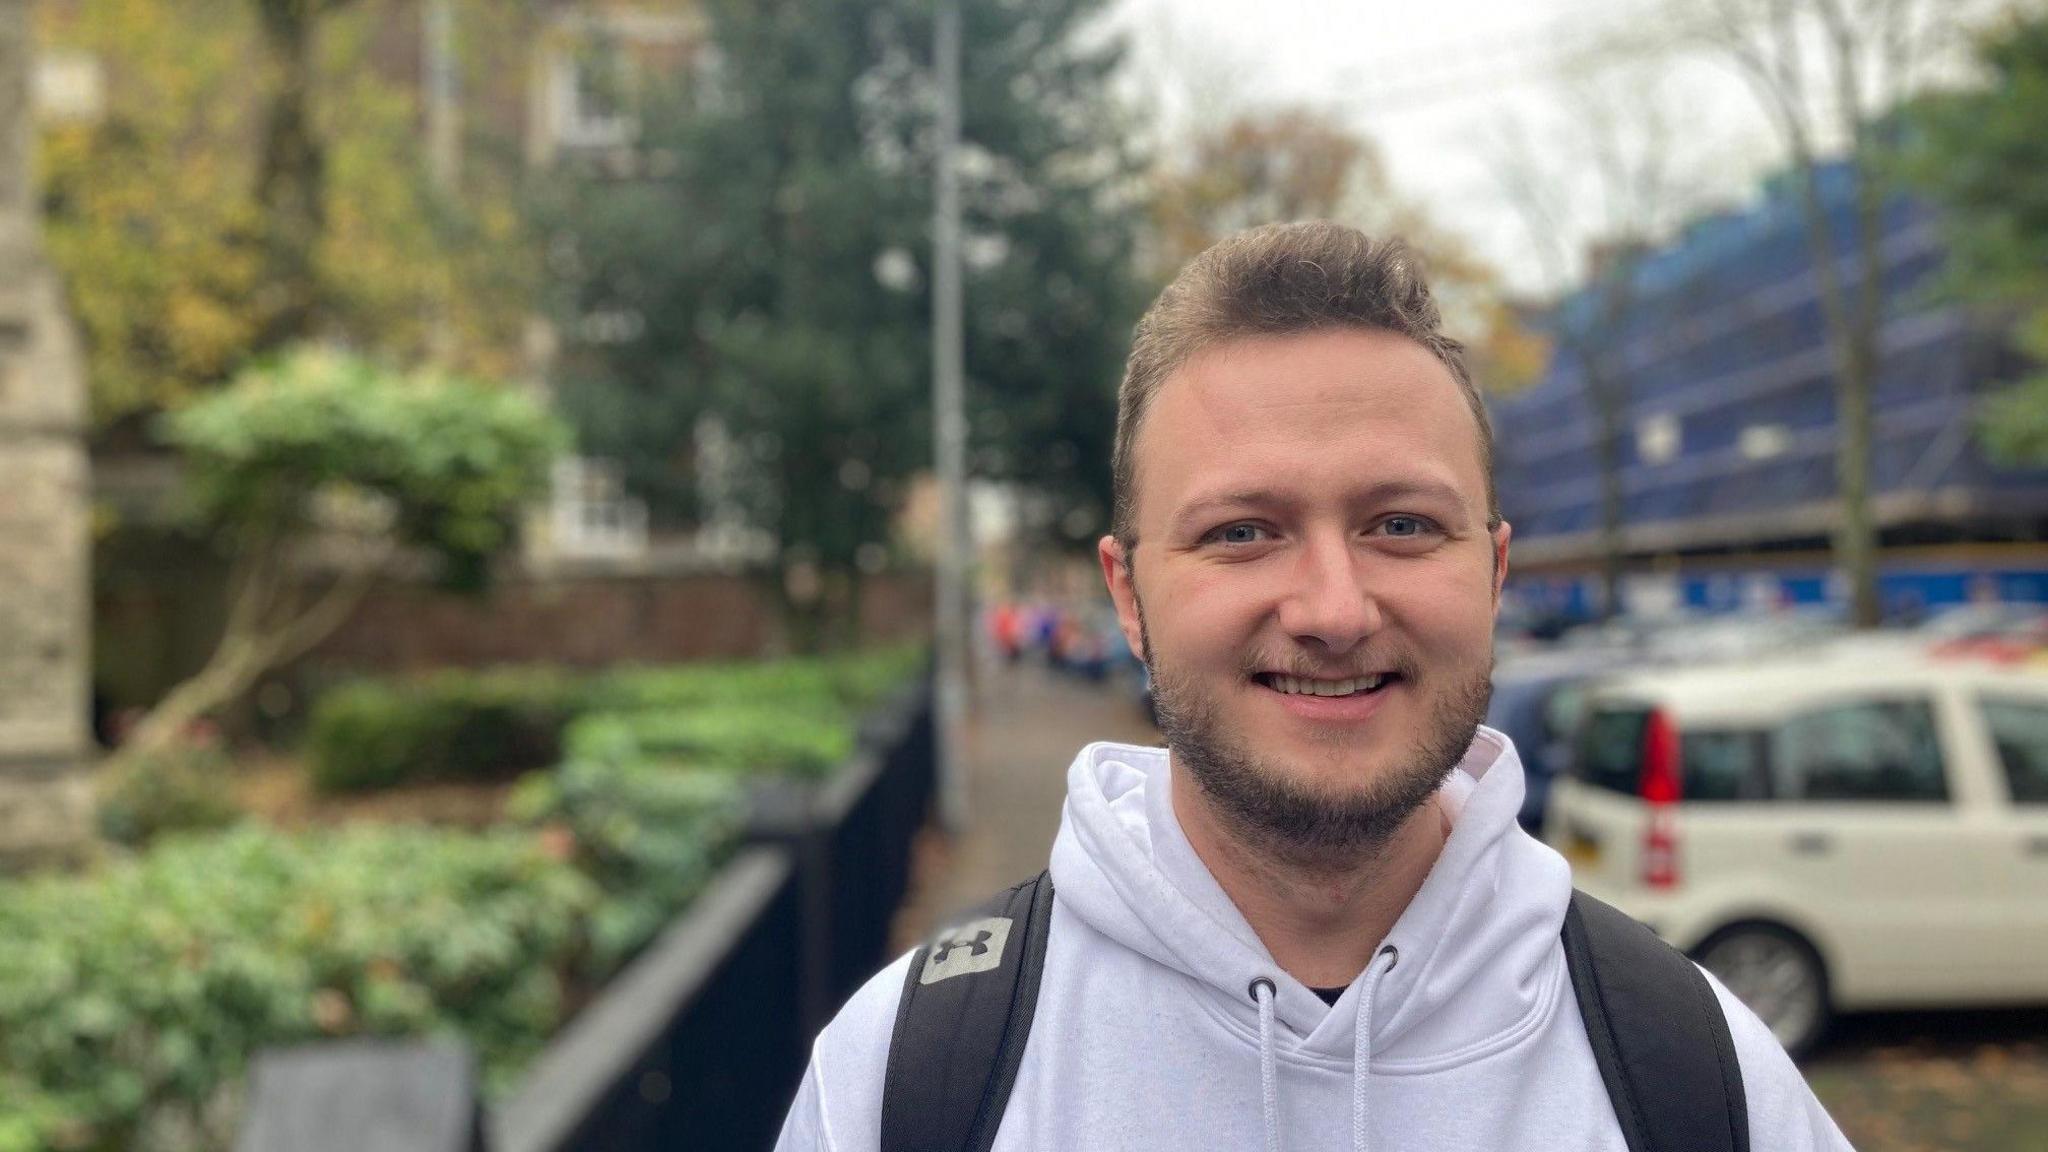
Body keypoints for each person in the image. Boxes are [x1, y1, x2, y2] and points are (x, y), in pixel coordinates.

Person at [774, 222, 1852, 1150]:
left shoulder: (1699, 1077)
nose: (1332, 610)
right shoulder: (903, 1081)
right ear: (1126, 593)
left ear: (1493, 570)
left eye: (1400, 525)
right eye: (1241, 531)